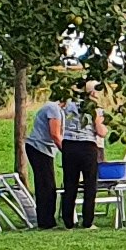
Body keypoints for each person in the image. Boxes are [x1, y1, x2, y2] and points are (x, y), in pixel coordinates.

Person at [59, 81, 104, 229]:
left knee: (70, 184)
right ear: (92, 93)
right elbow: (101, 132)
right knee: (90, 185)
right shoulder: (94, 109)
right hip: (87, 146)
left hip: (69, 145)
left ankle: (68, 221)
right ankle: (87, 221)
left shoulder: (68, 106)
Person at [24, 90, 66, 229]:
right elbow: (55, 134)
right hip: (39, 148)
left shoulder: (54, 108)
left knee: (47, 184)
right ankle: (45, 221)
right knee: (46, 185)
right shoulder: (53, 109)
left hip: (44, 150)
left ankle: (47, 219)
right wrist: (66, 152)